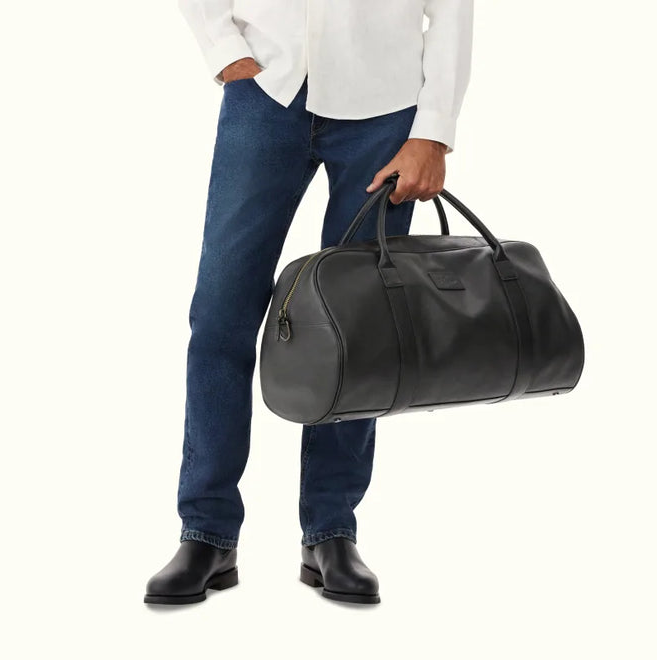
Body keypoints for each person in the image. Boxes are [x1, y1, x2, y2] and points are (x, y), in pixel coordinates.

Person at [145, 0, 474, 606]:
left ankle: (331, 530)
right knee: (221, 312)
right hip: (266, 88)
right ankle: (206, 532)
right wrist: (224, 49)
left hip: (386, 107)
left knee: (360, 327)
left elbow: (452, 10)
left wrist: (432, 131)